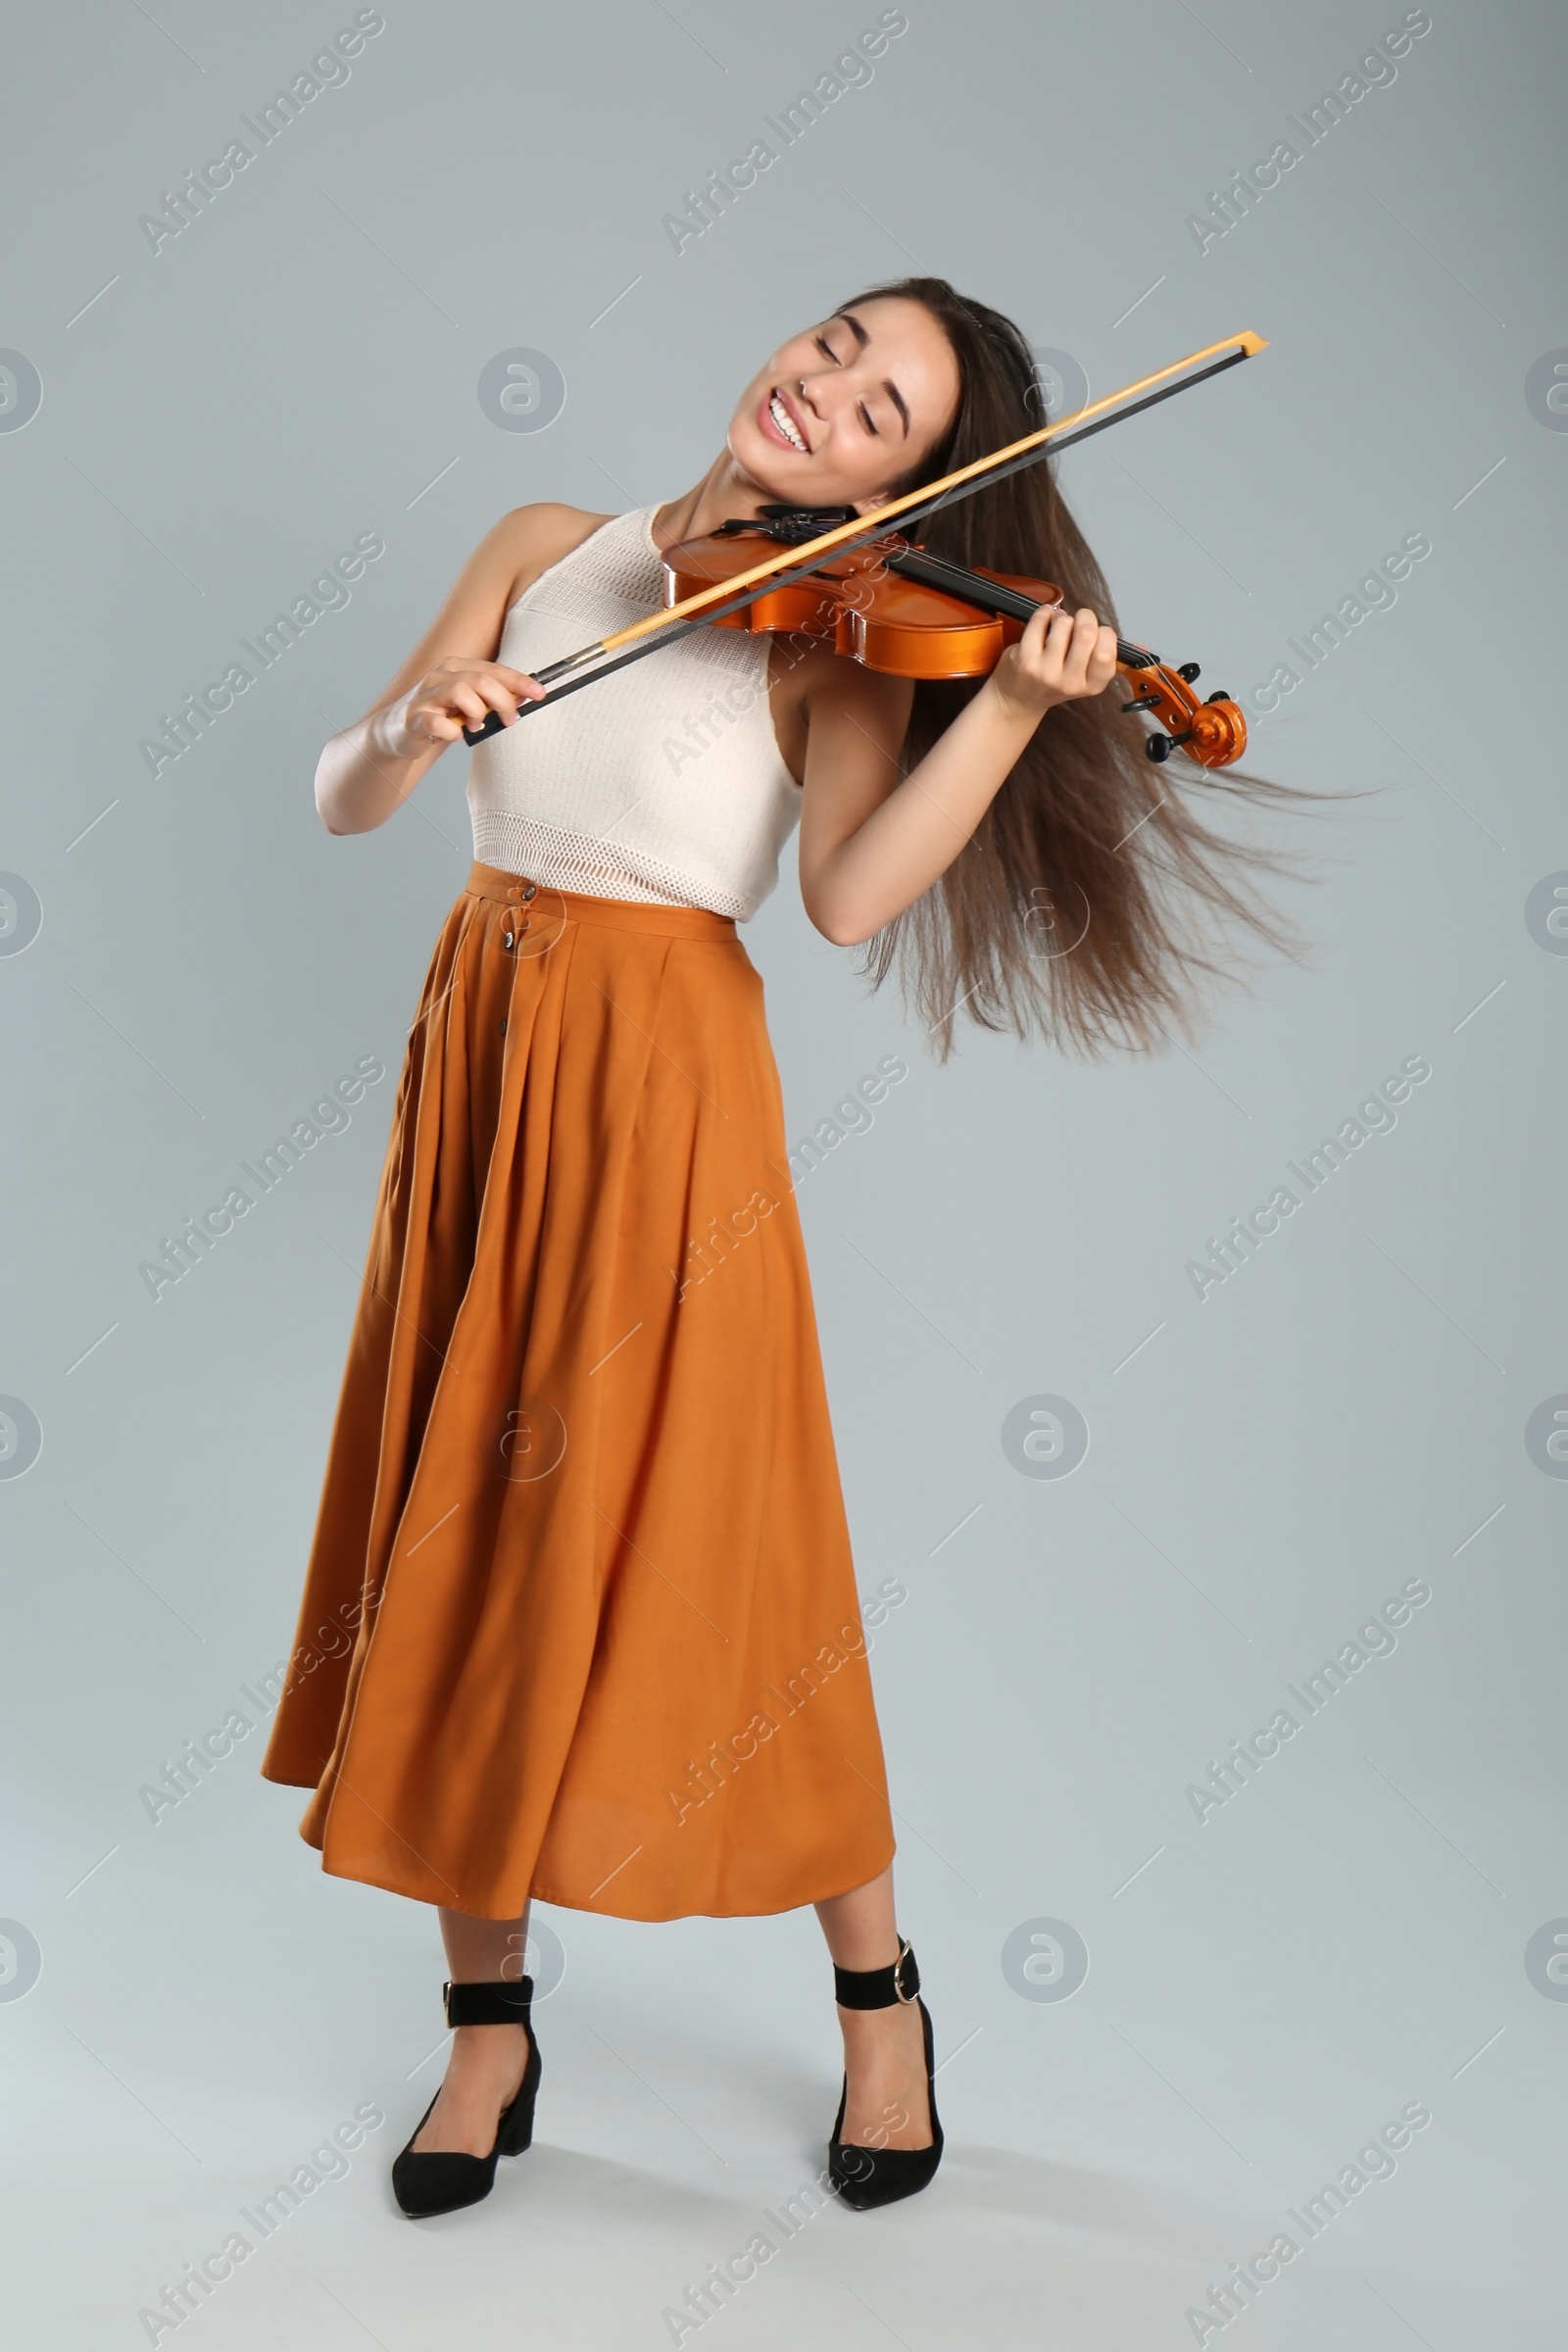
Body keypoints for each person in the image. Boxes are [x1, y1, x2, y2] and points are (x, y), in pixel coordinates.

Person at [261, 275, 1299, 2221]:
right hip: (485, 1042)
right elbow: (345, 796)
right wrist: (413, 720)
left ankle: (879, 2002)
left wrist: (998, 702)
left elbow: (840, 901)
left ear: (913, 475)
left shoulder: (826, 641)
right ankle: (487, 2028)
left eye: (881, 405)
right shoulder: (545, 546)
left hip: (665, 1096)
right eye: (832, 346)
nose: (822, 392)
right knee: (465, 1529)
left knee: (738, 1549)